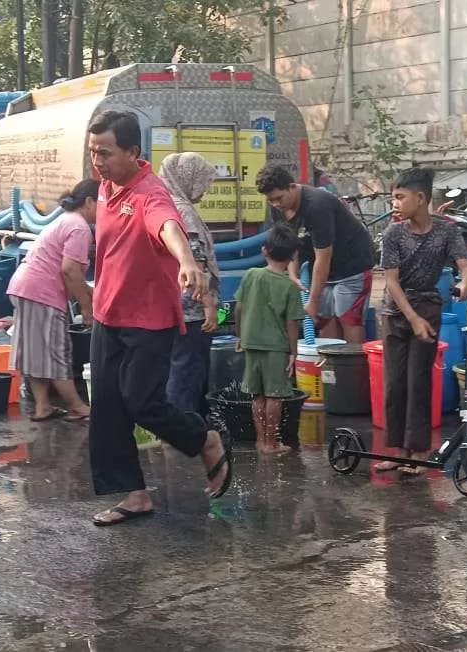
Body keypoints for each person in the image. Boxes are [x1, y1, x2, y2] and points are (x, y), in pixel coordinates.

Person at [85, 110, 231, 527]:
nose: (98, 161)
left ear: (133, 152)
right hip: (107, 313)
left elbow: (168, 226)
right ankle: (133, 495)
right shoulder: (105, 186)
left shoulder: (151, 193)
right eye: (93, 152)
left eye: (106, 153)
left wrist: (187, 261)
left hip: (148, 319)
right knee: (108, 407)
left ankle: (204, 440)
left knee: (141, 401)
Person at [376, 168, 467, 473]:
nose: (395, 203)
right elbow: (391, 282)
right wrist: (413, 319)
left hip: (428, 309)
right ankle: (397, 451)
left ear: (420, 198)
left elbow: (465, 265)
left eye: (400, 197)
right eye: (393, 197)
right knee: (394, 385)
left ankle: (417, 454)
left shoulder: (447, 232)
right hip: (396, 312)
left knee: (418, 382)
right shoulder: (393, 233)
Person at [6, 178, 97, 423]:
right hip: (41, 293)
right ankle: (77, 406)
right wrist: (87, 309)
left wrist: (88, 292)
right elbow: (70, 271)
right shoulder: (79, 227)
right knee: (57, 351)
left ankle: (43, 406)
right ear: (89, 202)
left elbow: (70, 273)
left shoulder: (66, 220)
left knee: (37, 353)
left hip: (26, 288)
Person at [257, 164, 374, 344]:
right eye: (271, 200)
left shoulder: (316, 204)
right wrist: (293, 274)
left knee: (348, 318)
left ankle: (353, 367)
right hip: (319, 268)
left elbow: (323, 256)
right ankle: (330, 369)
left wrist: (312, 300)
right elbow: (291, 243)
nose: (276, 204)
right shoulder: (278, 207)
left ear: (291, 186)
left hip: (351, 265)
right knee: (323, 318)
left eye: (279, 198)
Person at [157, 152, 221, 414]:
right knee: (188, 369)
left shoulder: (163, 205)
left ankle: (178, 423)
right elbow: (196, 263)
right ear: (187, 179)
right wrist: (209, 306)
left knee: (174, 366)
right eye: (202, 181)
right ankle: (183, 428)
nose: (204, 189)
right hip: (192, 308)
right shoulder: (183, 211)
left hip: (169, 304)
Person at [235, 224, 306, 454]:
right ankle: (272, 442)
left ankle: (260, 441)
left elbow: (239, 308)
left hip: (251, 342)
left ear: (264, 251)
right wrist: (293, 352)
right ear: (294, 254)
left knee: (257, 394)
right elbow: (292, 323)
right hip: (276, 347)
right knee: (274, 395)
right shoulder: (290, 286)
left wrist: (240, 335)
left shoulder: (251, 275)